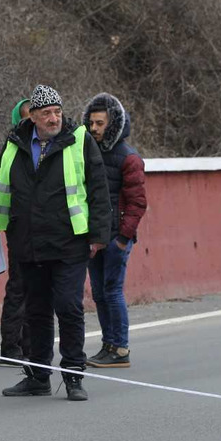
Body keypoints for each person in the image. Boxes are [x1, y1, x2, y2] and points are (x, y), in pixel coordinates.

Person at [0, 84, 111, 401]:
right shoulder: (14, 144)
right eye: (46, 113)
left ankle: (73, 376)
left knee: (68, 307)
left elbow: (98, 189)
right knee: (35, 312)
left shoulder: (79, 140)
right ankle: (38, 375)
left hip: (69, 242)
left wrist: (98, 234)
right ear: (33, 117)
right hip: (28, 242)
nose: (53, 118)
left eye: (57, 112)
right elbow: (1, 190)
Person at [81, 93, 147, 368]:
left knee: (112, 291)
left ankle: (120, 349)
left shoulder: (128, 158)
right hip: (95, 238)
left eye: (100, 123)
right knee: (98, 293)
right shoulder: (87, 152)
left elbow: (138, 203)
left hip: (116, 238)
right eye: (91, 123)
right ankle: (108, 344)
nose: (94, 128)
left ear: (113, 123)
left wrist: (122, 239)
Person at [0, 98, 32, 367]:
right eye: (28, 115)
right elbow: (1, 190)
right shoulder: (12, 148)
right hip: (19, 227)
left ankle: (30, 346)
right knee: (18, 287)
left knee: (38, 290)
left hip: (45, 230)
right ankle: (10, 347)